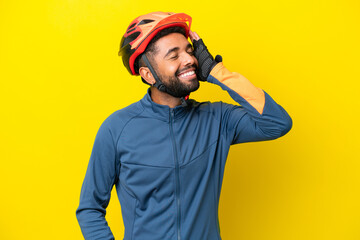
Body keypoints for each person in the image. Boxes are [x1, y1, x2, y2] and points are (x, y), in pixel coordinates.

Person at [76, 11, 292, 240]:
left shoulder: (217, 118)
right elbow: (90, 208)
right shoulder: (116, 129)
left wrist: (217, 72)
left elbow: (277, 123)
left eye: (189, 51)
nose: (189, 59)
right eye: (174, 55)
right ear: (148, 74)